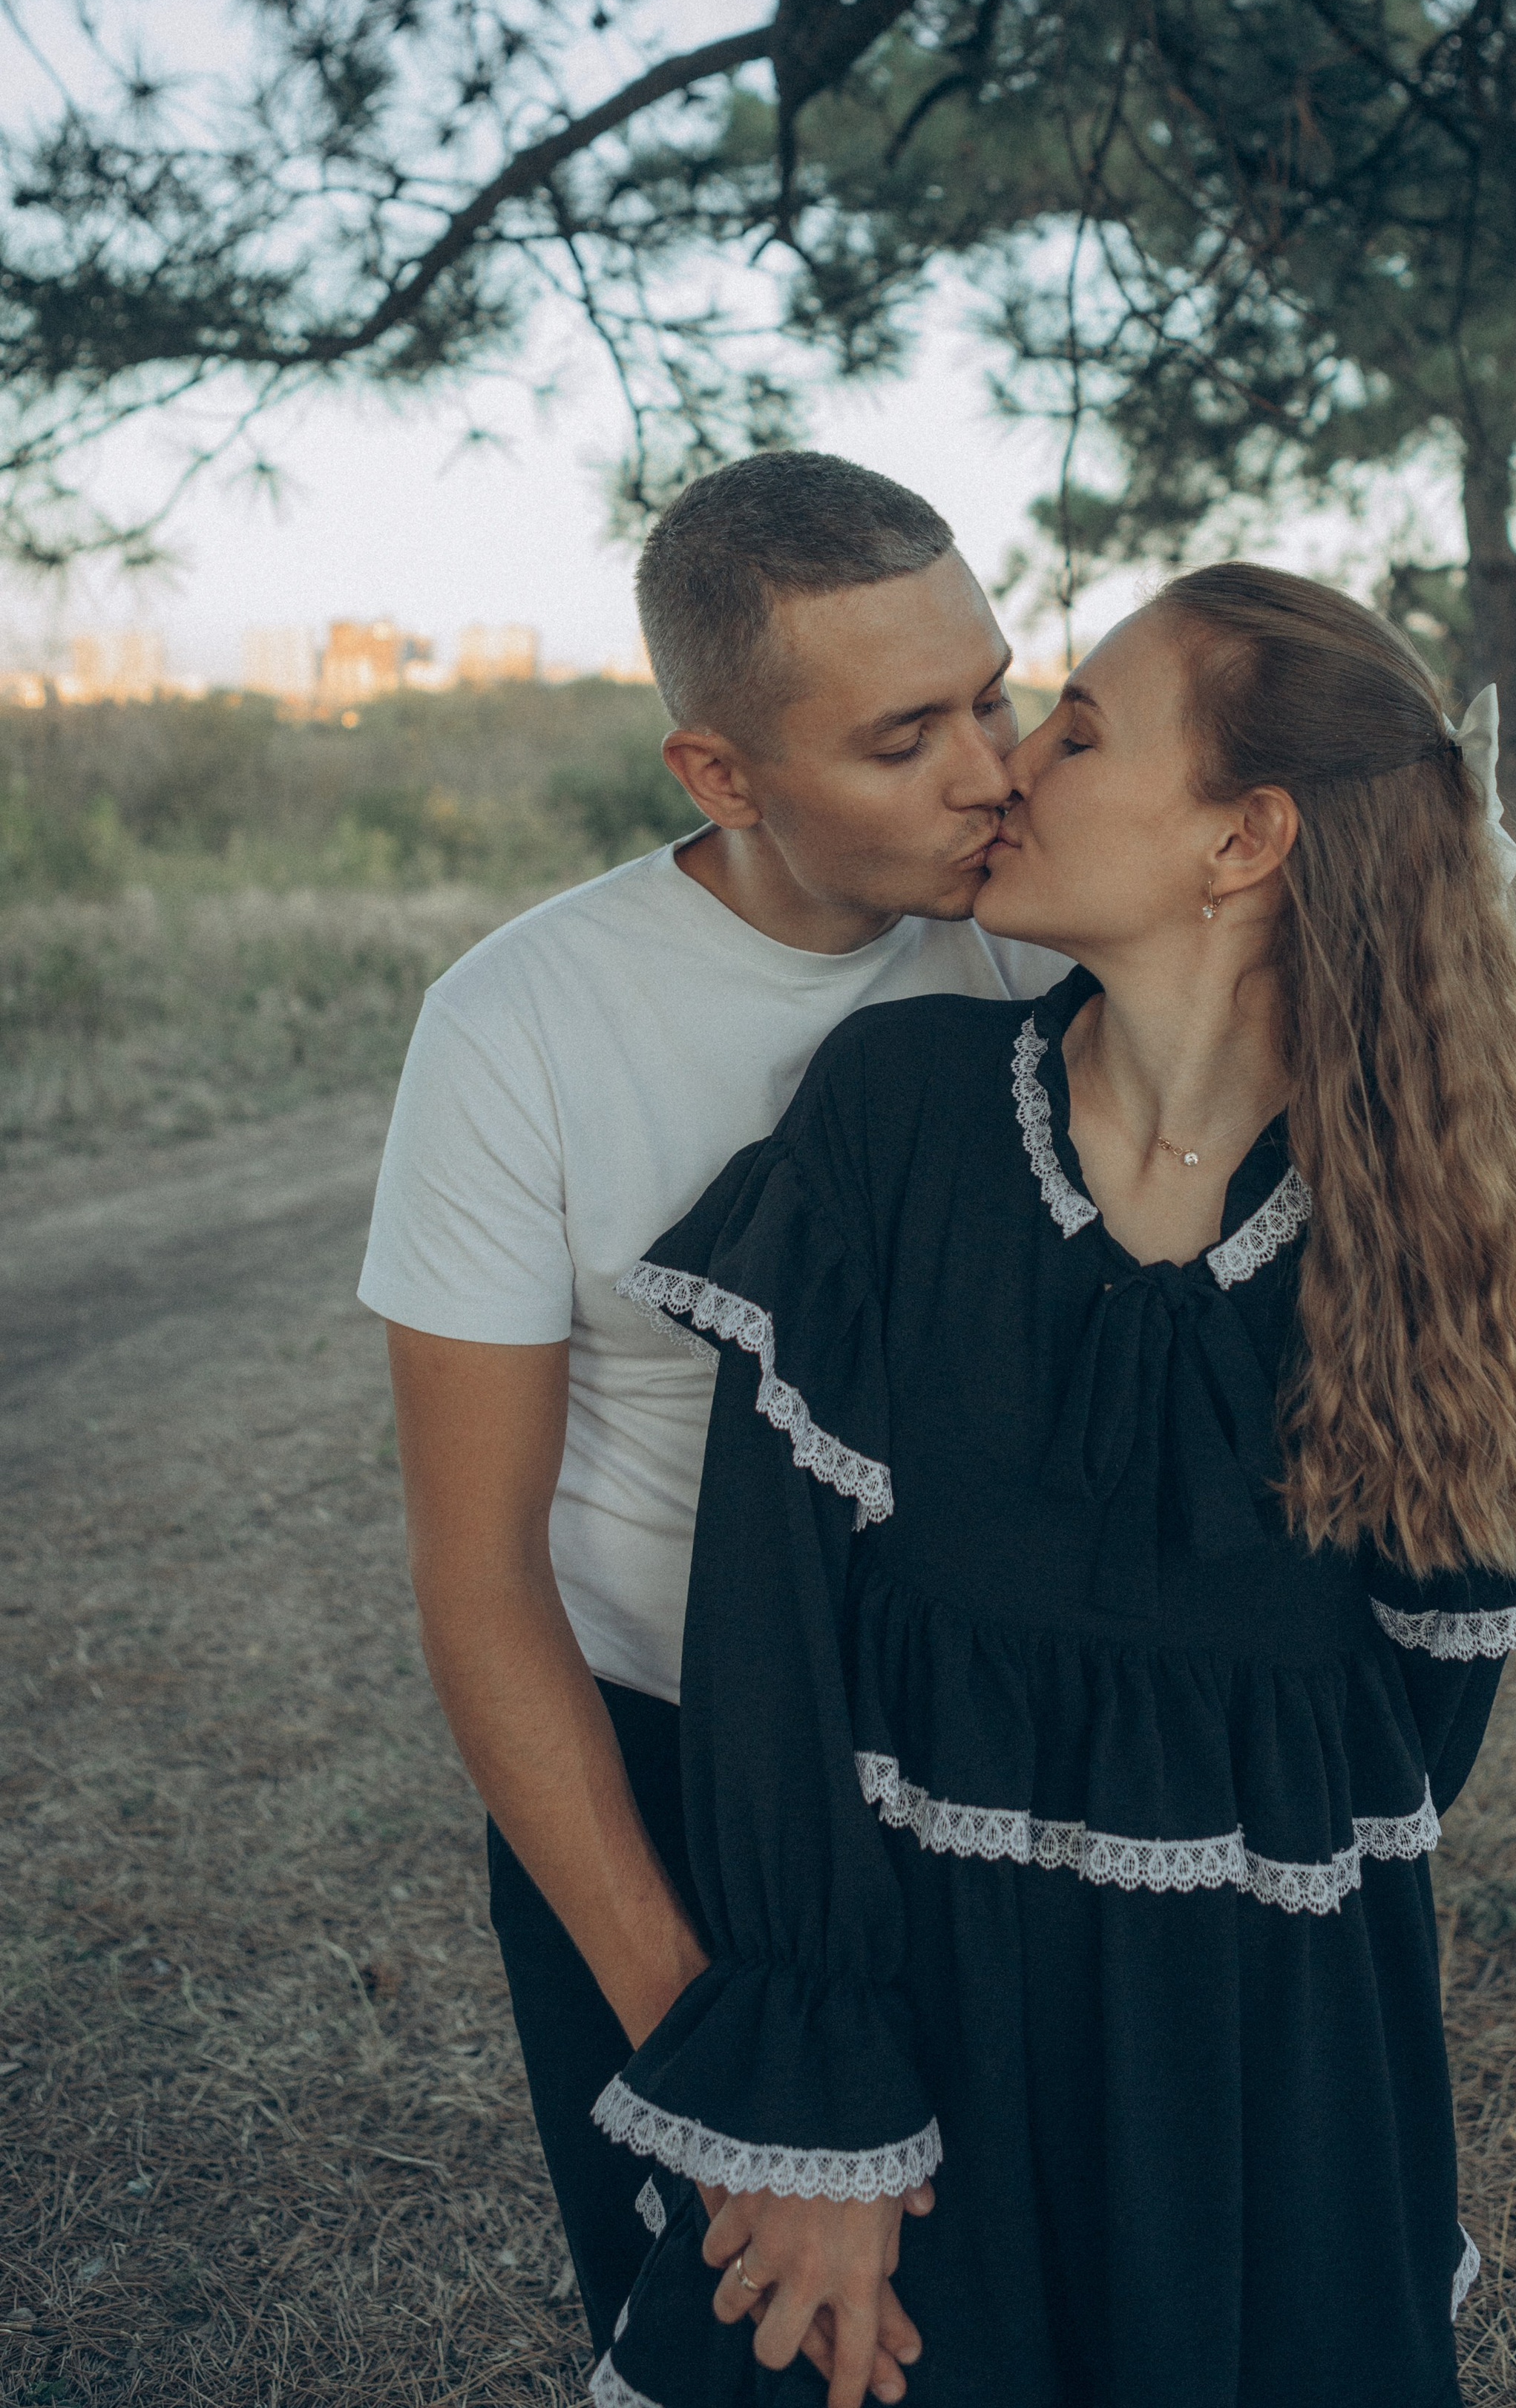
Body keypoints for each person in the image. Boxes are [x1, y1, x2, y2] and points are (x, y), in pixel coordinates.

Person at [590, 565, 1516, 2408]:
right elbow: (769, 1646)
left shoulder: (1415, 1237)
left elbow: (1409, 1737)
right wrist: (824, 2126)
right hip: (918, 2031)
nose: (1010, 766)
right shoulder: (902, 1107)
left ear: (1243, 839)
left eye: (1078, 730)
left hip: (1256, 2067)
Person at [356, 453, 1068, 2391]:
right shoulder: (518, 1029)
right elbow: (482, 1577)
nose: (992, 771)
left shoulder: (1060, 952)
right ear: (723, 778)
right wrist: (730, 2054)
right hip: (665, 1783)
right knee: (754, 2353)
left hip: (997, 1766)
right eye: (905, 736)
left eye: (999, 695)